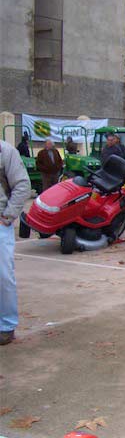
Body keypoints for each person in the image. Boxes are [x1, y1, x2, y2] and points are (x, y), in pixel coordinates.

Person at [0, 140, 32, 345]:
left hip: (1, 220)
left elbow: (22, 185)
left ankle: (6, 326)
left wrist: (7, 216)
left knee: (3, 276)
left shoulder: (5, 152)